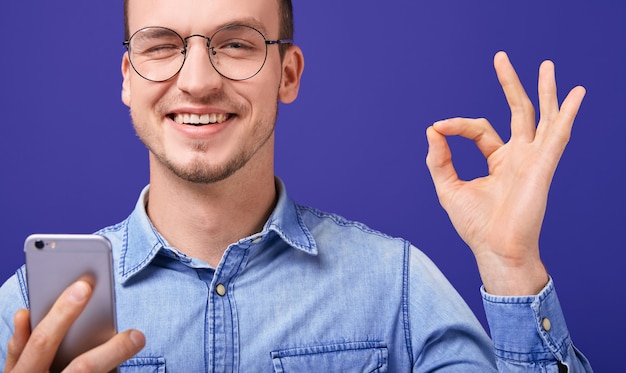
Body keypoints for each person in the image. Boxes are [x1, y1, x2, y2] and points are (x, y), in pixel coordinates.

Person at [0, 0, 592, 371]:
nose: (198, 81)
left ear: (288, 74)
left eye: (235, 44)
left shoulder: (396, 290)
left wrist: (512, 266)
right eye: (162, 46)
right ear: (129, 78)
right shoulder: (27, 312)